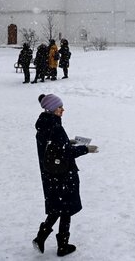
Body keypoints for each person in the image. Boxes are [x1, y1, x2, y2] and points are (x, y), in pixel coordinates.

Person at [32, 94, 98, 257]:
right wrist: (86, 149)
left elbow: (53, 147)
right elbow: (65, 153)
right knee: (66, 208)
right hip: (63, 174)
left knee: (56, 207)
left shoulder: (43, 125)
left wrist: (67, 141)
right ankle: (62, 246)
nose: (63, 109)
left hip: (50, 175)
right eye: (60, 107)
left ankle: (41, 237)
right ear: (52, 109)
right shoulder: (55, 127)